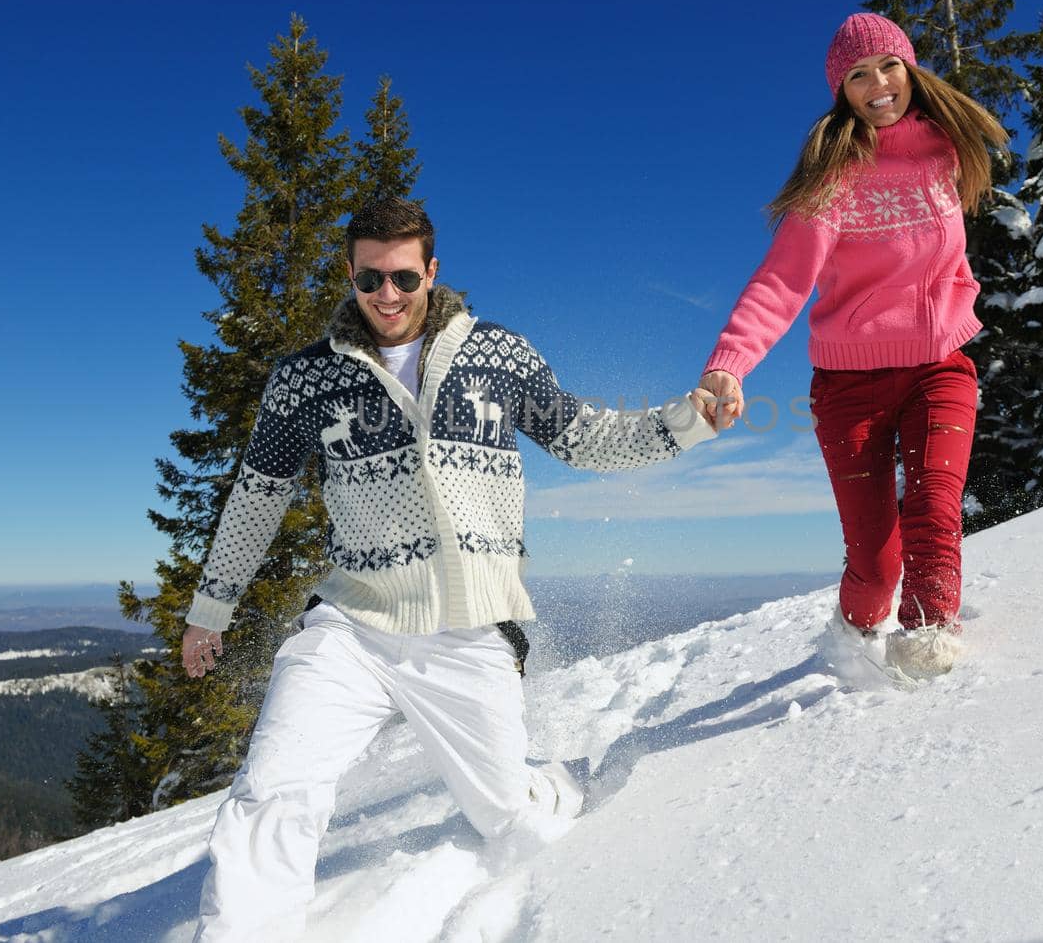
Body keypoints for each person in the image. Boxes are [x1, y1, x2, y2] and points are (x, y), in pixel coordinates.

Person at [181, 197, 719, 941]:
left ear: (433, 270)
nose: (387, 295)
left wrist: (685, 422)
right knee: (273, 789)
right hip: (352, 624)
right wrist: (210, 609)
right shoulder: (304, 380)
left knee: (511, 816)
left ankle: (552, 782)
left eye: (403, 276)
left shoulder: (497, 354)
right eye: (369, 279)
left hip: (468, 631)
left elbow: (584, 437)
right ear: (349, 273)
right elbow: (258, 494)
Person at [697, 12, 1007, 679]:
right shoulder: (835, 178)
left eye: (888, 66)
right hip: (849, 385)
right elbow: (782, 281)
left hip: (939, 368)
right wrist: (730, 362)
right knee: (876, 562)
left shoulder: (945, 151)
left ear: (910, 67)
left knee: (933, 512)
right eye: (858, 76)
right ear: (843, 92)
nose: (878, 86)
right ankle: (852, 639)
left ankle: (929, 663)